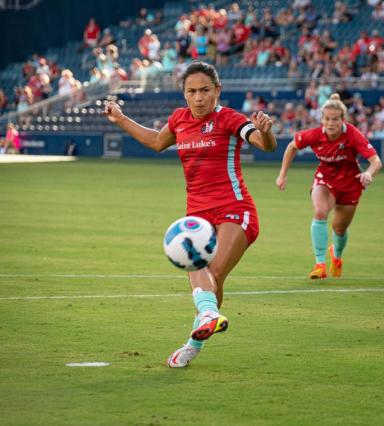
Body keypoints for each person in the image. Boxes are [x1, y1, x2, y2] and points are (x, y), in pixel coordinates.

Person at [103, 62, 276, 368]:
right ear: (184, 94)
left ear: (217, 91)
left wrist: (266, 132)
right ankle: (199, 336)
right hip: (197, 216)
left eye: (205, 90)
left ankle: (199, 330)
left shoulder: (229, 118)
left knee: (213, 275)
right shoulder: (180, 119)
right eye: (192, 91)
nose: (198, 98)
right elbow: (157, 142)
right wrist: (120, 119)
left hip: (235, 209)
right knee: (208, 283)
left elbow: (262, 144)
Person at [276, 94, 382, 279]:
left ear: (343, 119)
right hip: (325, 179)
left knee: (339, 229)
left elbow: (376, 162)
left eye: (335, 119)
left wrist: (368, 173)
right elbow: (292, 147)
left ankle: (337, 256)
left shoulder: (353, 135)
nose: (330, 123)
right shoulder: (315, 135)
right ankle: (320, 264)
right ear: (321, 119)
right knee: (320, 212)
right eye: (327, 119)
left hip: (350, 183)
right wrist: (282, 174)